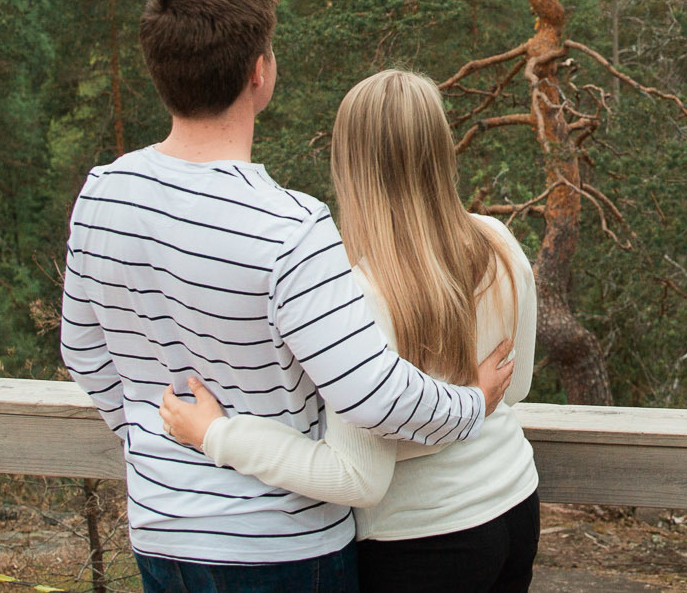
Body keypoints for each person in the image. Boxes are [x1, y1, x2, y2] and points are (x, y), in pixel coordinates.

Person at [60, 0, 516, 593]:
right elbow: (375, 395)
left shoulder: (103, 196)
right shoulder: (290, 228)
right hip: (283, 545)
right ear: (260, 73)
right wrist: (471, 405)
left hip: (162, 531)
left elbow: (83, 354)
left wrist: (158, 446)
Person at [160, 69, 541, 593]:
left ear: (350, 164)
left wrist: (217, 435)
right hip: (515, 504)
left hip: (421, 540)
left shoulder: (357, 292)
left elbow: (354, 477)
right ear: (440, 148)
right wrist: (463, 406)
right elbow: (512, 388)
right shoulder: (497, 240)